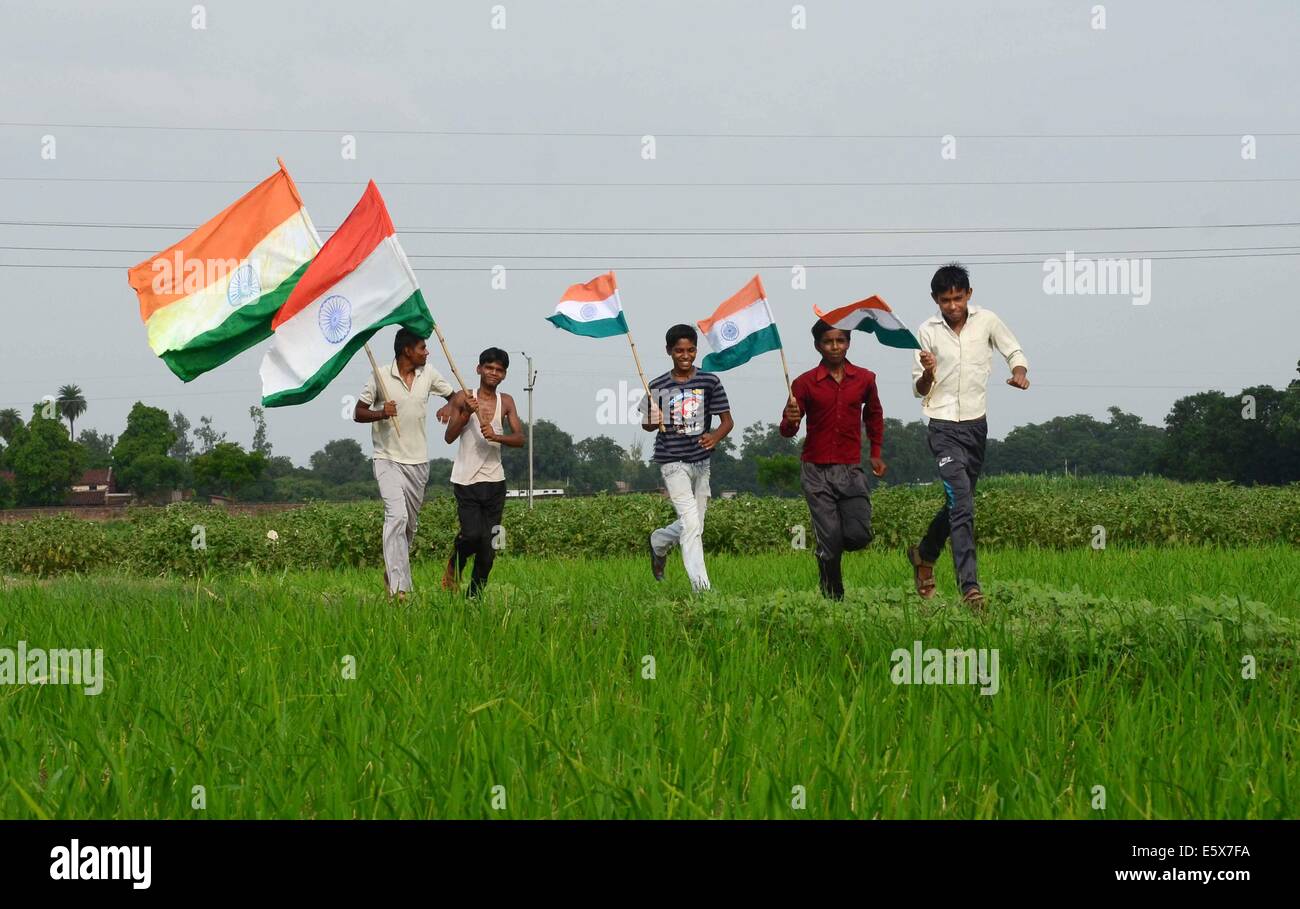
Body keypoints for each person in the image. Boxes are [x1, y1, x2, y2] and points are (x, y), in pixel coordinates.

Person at [908, 263, 1029, 611]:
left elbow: (1014, 351)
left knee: (958, 503)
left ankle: (924, 554)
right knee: (963, 504)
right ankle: (970, 589)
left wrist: (1019, 372)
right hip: (942, 425)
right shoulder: (926, 331)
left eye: (957, 298)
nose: (952, 306)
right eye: (945, 300)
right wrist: (929, 372)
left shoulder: (987, 321)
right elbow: (919, 389)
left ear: (969, 295)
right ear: (935, 300)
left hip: (976, 427)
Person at [780, 321, 886, 599]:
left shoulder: (865, 378)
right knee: (830, 539)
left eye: (840, 340)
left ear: (849, 342)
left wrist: (875, 452)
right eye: (828, 342)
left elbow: (874, 415)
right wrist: (790, 420)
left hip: (851, 469)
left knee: (859, 535)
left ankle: (830, 549)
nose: (835, 347)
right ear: (818, 345)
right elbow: (787, 429)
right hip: (815, 470)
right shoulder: (803, 383)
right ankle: (833, 596)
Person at [353, 327, 456, 600]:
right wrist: (380, 413)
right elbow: (358, 413)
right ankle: (400, 591)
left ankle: (391, 572)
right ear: (407, 350)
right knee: (396, 517)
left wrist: (449, 407)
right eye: (422, 347)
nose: (427, 352)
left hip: (418, 462)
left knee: (409, 526)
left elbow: (455, 398)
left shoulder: (429, 374)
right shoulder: (380, 375)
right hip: (386, 458)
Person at [640, 324, 734, 592]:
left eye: (690, 350)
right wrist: (651, 418)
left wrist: (715, 437)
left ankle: (658, 541)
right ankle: (701, 588)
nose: (685, 355)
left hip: (701, 461)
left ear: (696, 350)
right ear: (669, 351)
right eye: (679, 350)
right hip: (672, 461)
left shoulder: (709, 381)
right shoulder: (658, 385)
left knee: (696, 524)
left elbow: (727, 422)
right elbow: (646, 424)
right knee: (691, 523)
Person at [442, 348, 525, 597]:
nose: (493, 373)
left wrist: (497, 436)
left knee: (490, 547)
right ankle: (454, 564)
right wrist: (466, 412)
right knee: (471, 535)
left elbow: (520, 439)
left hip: (495, 481)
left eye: (499, 370)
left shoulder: (506, 401)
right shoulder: (462, 398)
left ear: (504, 375)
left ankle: (473, 599)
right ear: (479, 369)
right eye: (489, 367)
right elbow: (448, 437)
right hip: (466, 480)